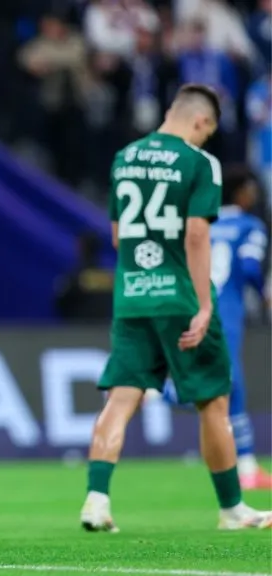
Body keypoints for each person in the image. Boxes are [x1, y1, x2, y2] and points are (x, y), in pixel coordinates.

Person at [81, 84, 272, 533]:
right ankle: (232, 510)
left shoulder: (125, 157)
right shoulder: (199, 162)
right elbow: (197, 236)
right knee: (214, 402)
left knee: (121, 397)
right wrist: (205, 305)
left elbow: (116, 236)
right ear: (202, 122)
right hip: (180, 298)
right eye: (208, 133)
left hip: (131, 296)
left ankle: (96, 500)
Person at [160, 167, 271, 490]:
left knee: (230, 385)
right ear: (243, 192)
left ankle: (247, 467)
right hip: (224, 313)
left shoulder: (201, 223)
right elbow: (251, 266)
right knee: (227, 383)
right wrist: (264, 295)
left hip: (190, 308)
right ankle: (156, 392)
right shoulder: (250, 226)